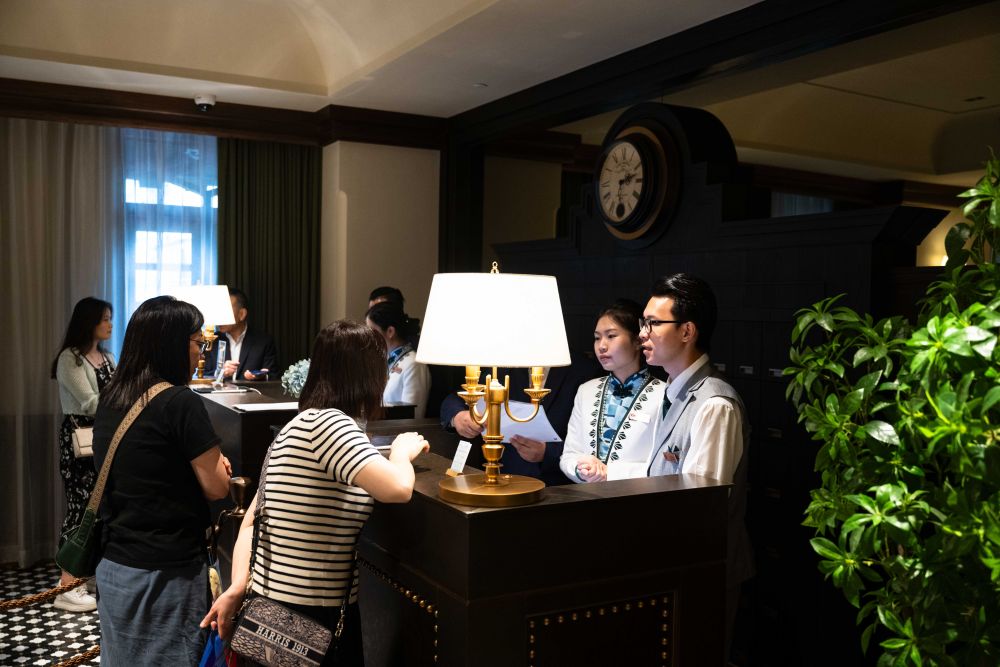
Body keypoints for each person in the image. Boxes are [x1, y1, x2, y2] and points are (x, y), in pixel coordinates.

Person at [201, 320, 430, 666]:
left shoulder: (300, 423)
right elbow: (398, 488)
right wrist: (402, 450)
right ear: (367, 375)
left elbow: (252, 522)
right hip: (310, 617)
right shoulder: (331, 425)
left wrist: (238, 587)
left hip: (270, 611)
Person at [92, 296, 232, 665]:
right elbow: (217, 486)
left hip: (115, 565)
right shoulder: (180, 402)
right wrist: (218, 466)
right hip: (167, 573)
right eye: (197, 342)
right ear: (172, 343)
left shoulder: (112, 398)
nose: (200, 353)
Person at [639, 272, 752, 652]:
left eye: (653, 324)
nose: (643, 334)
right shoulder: (672, 391)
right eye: (642, 323)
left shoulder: (715, 404)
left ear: (687, 331)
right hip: (672, 565)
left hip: (702, 571)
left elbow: (703, 510)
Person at [440, 353, 600, 486]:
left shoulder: (584, 370)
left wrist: (548, 453)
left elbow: (594, 444)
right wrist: (458, 417)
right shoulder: (506, 364)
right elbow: (456, 399)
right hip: (505, 479)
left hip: (560, 487)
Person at [50, 297, 115, 612]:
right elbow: (90, 403)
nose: (110, 324)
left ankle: (82, 577)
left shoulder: (108, 357)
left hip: (102, 439)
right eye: (105, 318)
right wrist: (122, 399)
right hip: (79, 440)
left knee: (100, 509)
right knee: (80, 508)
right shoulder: (70, 358)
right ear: (89, 321)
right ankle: (67, 586)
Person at [559, 300, 664, 482]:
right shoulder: (586, 391)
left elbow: (664, 464)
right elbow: (569, 455)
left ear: (638, 340)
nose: (601, 346)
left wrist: (610, 473)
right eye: (597, 338)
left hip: (639, 497)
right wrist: (581, 469)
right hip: (587, 496)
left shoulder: (665, 394)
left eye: (611, 336)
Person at [366, 301, 431, 419]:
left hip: (397, 430)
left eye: (372, 332)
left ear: (390, 331)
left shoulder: (414, 364)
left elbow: (413, 415)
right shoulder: (384, 360)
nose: (369, 338)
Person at [208, 287, 278, 381]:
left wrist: (262, 376)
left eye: (225, 312)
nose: (220, 317)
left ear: (242, 314)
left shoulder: (263, 341)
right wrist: (220, 373)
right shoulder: (212, 340)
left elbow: (273, 376)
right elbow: (202, 375)